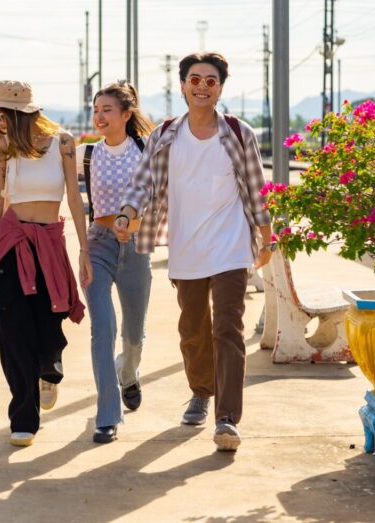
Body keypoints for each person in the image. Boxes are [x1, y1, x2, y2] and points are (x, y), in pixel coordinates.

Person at [114, 52, 274, 453]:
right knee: (193, 329)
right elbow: (142, 184)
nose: (202, 86)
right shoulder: (165, 134)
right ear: (183, 85)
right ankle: (200, 391)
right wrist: (128, 213)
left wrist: (266, 235)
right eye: (195, 79)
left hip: (231, 246)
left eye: (211, 81)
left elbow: (256, 188)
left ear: (221, 87)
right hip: (187, 247)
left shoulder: (239, 133)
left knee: (228, 328)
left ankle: (226, 417)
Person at [0, 80, 91, 448]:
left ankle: (49, 369)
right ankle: (23, 418)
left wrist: (84, 250)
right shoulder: (5, 148)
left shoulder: (64, 143)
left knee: (49, 323)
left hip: (50, 241)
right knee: (12, 331)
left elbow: (74, 197)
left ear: (20, 113)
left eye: (1, 115)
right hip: (12, 240)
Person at [76, 81, 155, 444]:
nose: (100, 116)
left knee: (133, 334)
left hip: (136, 246)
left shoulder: (145, 149)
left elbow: (161, 194)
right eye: (96, 110)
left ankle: (129, 371)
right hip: (99, 245)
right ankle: (107, 414)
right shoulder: (87, 154)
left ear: (126, 114)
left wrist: (135, 223)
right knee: (102, 328)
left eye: (107, 109)